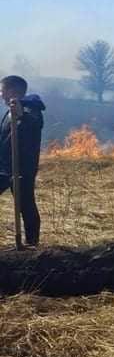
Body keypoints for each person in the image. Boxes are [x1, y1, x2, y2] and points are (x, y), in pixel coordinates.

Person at [0, 75, 45, 246]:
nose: (1, 94)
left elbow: (33, 125)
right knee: (25, 203)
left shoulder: (31, 109)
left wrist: (21, 115)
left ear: (13, 91)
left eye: (2, 90)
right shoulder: (9, 110)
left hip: (22, 167)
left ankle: (32, 244)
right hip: (4, 166)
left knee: (25, 204)